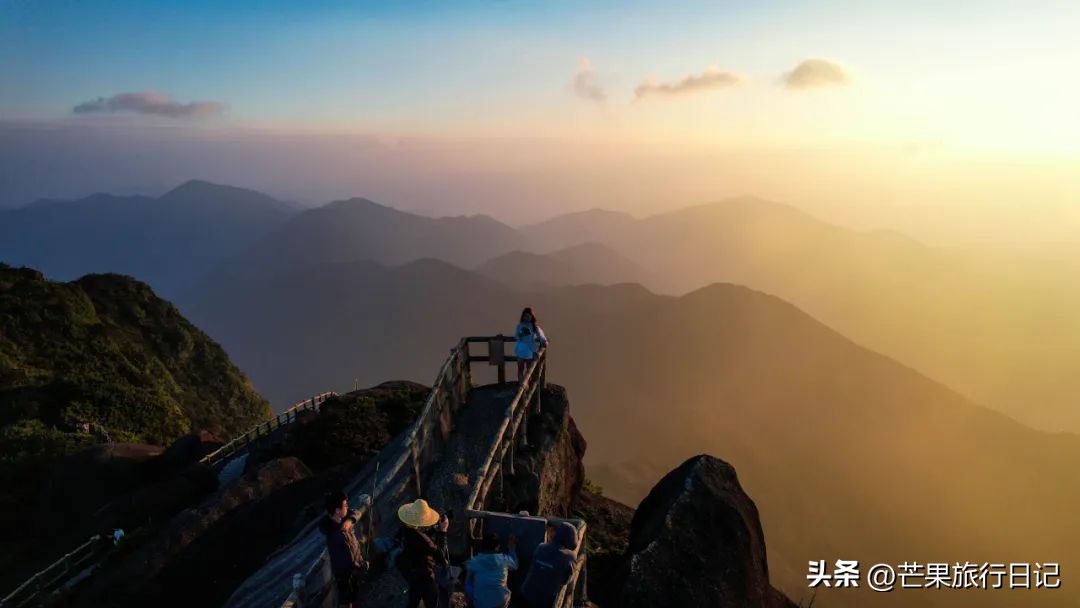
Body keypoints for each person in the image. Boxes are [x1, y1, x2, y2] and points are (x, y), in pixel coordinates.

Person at [319, 491, 369, 608]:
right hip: (345, 574)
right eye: (345, 505)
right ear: (337, 510)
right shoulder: (332, 532)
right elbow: (346, 559)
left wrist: (350, 520)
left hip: (355, 569)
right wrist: (358, 565)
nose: (347, 507)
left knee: (355, 596)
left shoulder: (344, 518)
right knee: (348, 601)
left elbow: (356, 512)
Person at [396, 499, 450, 608]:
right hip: (424, 576)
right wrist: (443, 532)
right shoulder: (422, 540)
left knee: (414, 597)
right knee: (432, 601)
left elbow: (420, 538)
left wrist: (434, 530)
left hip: (410, 571)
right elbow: (440, 554)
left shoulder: (404, 531)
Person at [518, 522, 579, 608]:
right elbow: (567, 580)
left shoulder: (540, 547)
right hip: (543, 601)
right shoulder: (569, 557)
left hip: (525, 594)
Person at [464, 532, 518, 608]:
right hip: (501, 603)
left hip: (481, 605)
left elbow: (468, 584)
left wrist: (469, 601)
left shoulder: (473, 562)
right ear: (498, 547)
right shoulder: (504, 559)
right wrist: (512, 548)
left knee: (470, 584)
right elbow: (515, 565)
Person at [514, 307, 548, 382]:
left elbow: (541, 335)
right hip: (520, 350)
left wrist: (544, 341)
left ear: (531, 317)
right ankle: (521, 385)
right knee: (520, 369)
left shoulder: (534, 327)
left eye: (528, 316)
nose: (526, 318)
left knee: (529, 370)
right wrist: (521, 335)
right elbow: (516, 337)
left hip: (530, 350)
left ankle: (526, 384)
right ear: (523, 316)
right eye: (525, 316)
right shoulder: (519, 326)